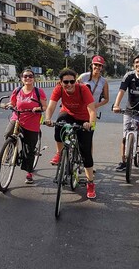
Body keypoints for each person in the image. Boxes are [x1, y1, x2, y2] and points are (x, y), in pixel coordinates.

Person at [44, 69, 98, 199]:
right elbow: (51, 107)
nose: (69, 84)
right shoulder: (59, 89)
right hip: (67, 115)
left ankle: (90, 183)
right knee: (58, 127)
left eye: (72, 81)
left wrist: (90, 124)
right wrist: (47, 119)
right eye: (65, 82)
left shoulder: (83, 89)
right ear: (60, 82)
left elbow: (92, 110)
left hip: (84, 119)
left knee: (85, 152)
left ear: (76, 81)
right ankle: (59, 153)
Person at [49, 55, 109, 165]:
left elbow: (106, 99)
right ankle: (61, 152)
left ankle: (88, 161)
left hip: (90, 111)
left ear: (102, 67)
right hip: (75, 108)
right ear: (92, 65)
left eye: (100, 66)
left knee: (87, 140)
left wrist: (95, 105)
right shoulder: (83, 77)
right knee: (62, 126)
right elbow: (71, 85)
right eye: (96, 65)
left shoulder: (104, 82)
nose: (97, 67)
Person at [112, 54, 139, 172]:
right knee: (124, 137)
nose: (138, 64)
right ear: (133, 64)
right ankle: (123, 161)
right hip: (129, 111)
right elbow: (122, 91)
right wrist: (116, 105)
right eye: (136, 62)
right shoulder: (129, 76)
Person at [3, 69, 47, 184]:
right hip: (17, 118)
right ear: (21, 78)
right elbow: (12, 103)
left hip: (32, 122)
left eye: (30, 76)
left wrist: (37, 108)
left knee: (29, 149)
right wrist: (8, 105)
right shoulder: (17, 90)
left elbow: (44, 106)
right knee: (8, 134)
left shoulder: (38, 92)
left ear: (34, 78)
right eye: (25, 76)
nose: (28, 78)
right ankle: (10, 153)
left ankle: (29, 172)